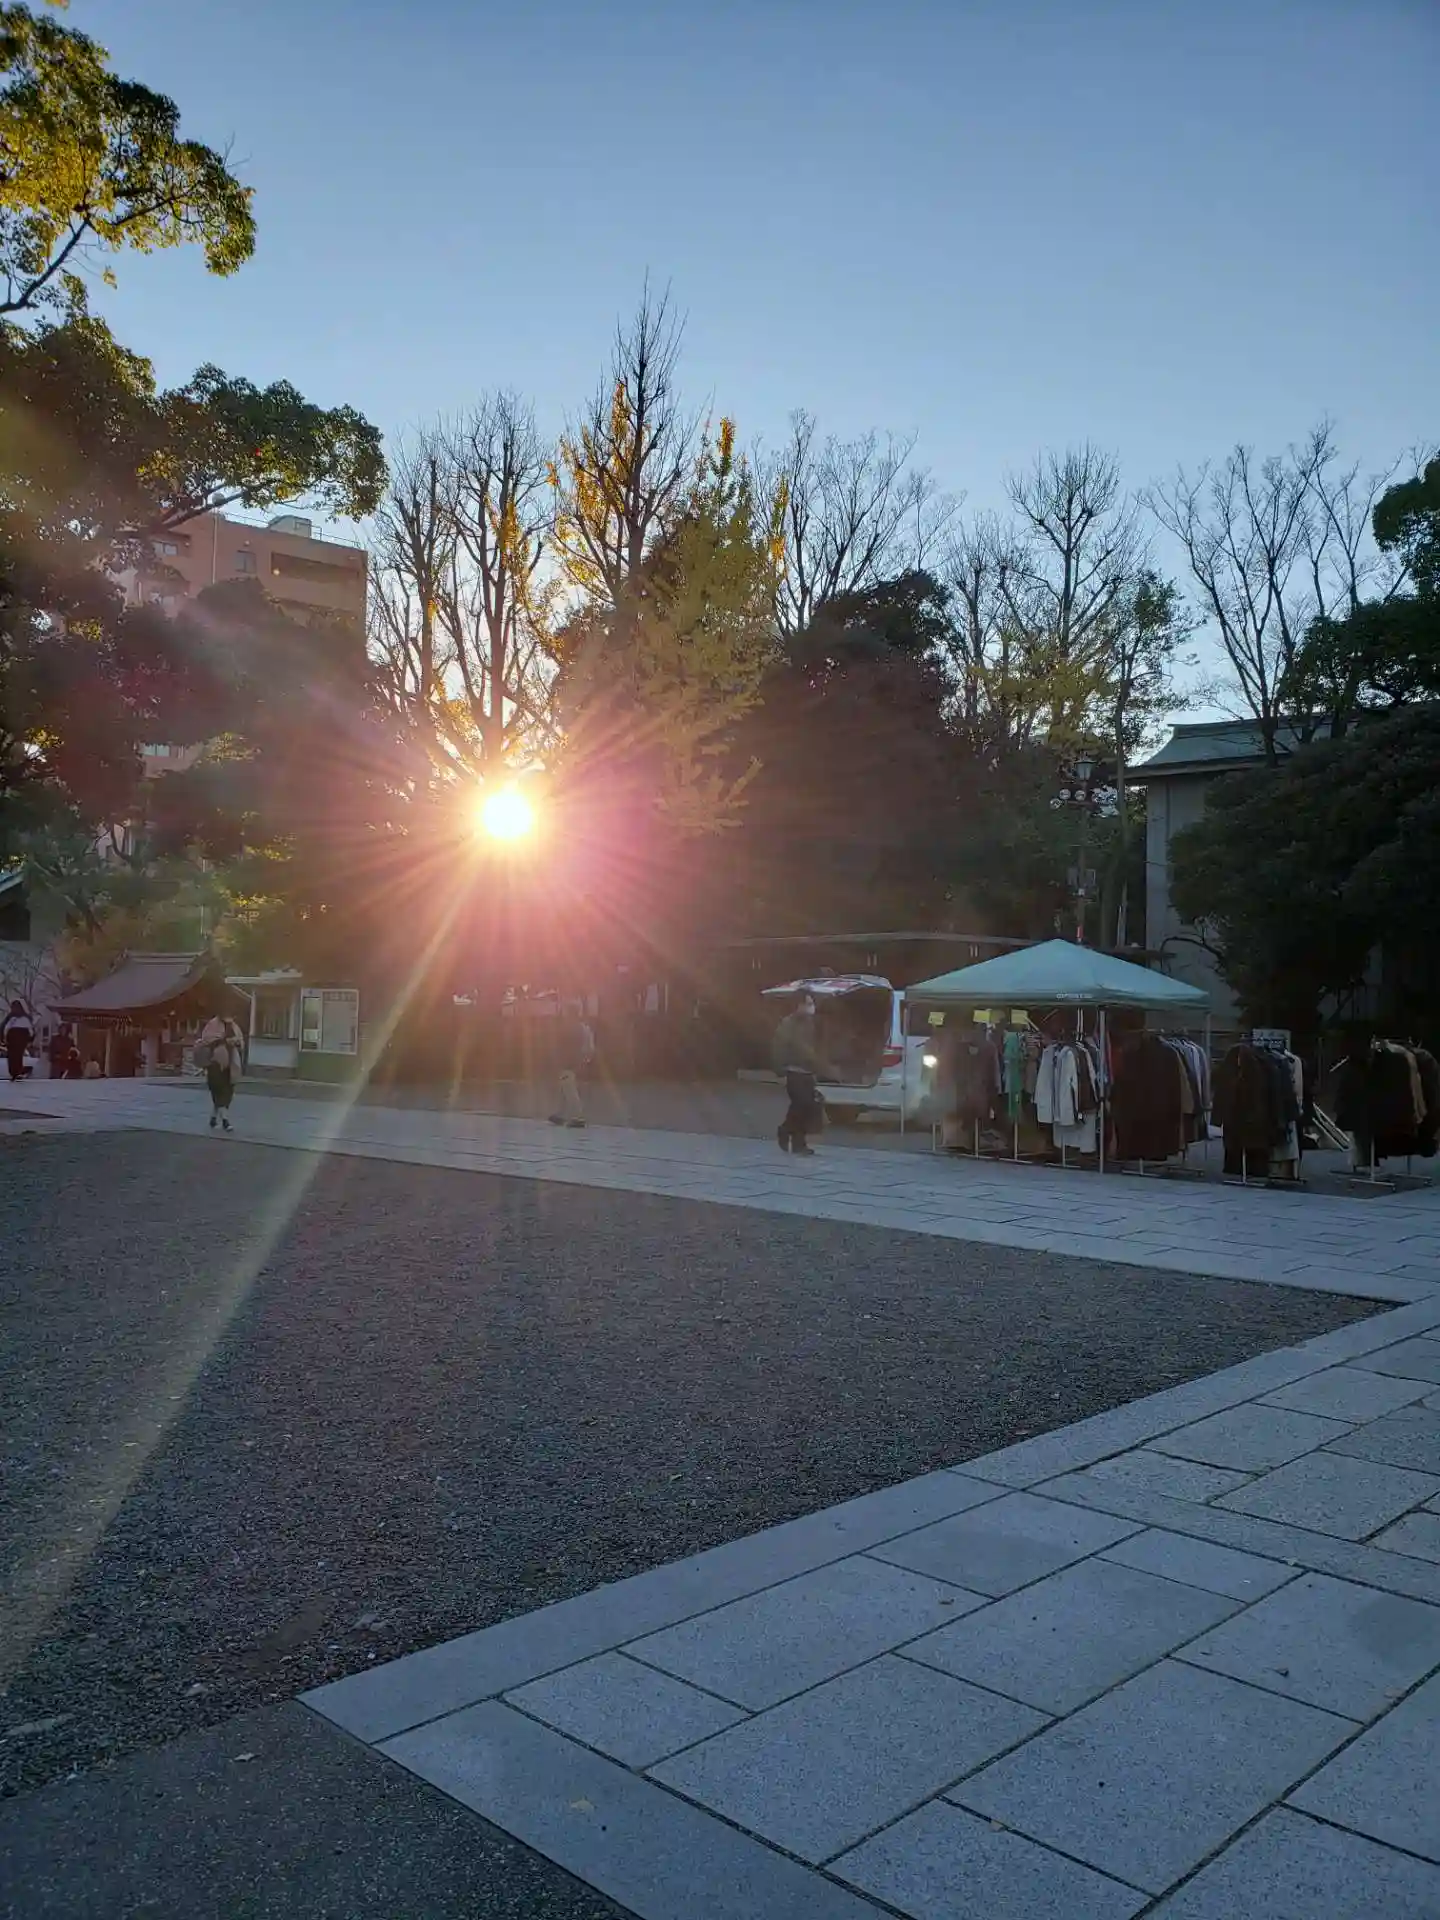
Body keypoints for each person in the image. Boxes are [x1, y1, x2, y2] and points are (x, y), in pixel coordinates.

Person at [772, 994, 823, 1155]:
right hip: (794, 1070)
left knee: (806, 1107)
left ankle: (799, 1143)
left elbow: (813, 1046)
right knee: (801, 1104)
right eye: (807, 1003)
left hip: (808, 1071)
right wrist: (780, 1068)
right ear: (798, 1005)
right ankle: (785, 1129)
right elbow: (779, 1045)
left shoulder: (810, 1023)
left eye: (811, 1003)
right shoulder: (788, 1023)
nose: (810, 1007)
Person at [548, 1000, 594, 1129]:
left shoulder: (572, 1028)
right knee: (564, 1087)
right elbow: (589, 1047)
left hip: (569, 1062)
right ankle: (560, 1114)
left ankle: (578, 1117)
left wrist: (559, 1058)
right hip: (577, 1060)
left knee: (569, 1089)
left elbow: (565, 1046)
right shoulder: (583, 1027)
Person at [199, 1014, 245, 1132]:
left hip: (231, 1064)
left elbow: (241, 1043)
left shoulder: (234, 1026)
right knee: (218, 1090)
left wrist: (236, 1042)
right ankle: (225, 1121)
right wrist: (223, 1041)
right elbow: (206, 1041)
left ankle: (213, 1118)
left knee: (227, 1092)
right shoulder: (213, 1024)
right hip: (215, 1063)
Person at [2, 1000, 34, 1082]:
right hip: (12, 1039)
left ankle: (18, 1072)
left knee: (18, 1056)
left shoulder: (25, 1018)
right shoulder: (10, 1017)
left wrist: (30, 1039)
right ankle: (14, 1072)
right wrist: (3, 1039)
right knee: (12, 1057)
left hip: (21, 1039)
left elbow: (31, 1030)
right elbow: (4, 1029)